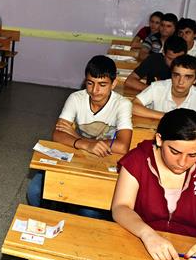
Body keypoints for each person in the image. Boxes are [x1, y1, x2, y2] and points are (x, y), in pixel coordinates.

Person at [111, 109, 196, 260]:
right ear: (159, 139)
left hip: (191, 254)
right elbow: (121, 207)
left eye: (193, 155)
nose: (182, 162)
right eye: (175, 152)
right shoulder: (138, 159)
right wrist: (147, 234)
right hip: (140, 243)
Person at [27, 56, 133, 210]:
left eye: (102, 85)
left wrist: (77, 137)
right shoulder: (76, 98)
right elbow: (57, 134)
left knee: (89, 210)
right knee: (34, 192)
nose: (95, 90)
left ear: (114, 83)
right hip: (76, 156)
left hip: (102, 162)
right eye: (90, 83)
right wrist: (85, 145)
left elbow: (122, 146)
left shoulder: (122, 104)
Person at [132, 55, 196, 126]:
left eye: (188, 77)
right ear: (171, 75)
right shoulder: (157, 87)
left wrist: (193, 121)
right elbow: (133, 106)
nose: (181, 81)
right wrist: (168, 117)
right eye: (177, 75)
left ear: (195, 80)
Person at [125, 36, 196, 95]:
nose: (174, 63)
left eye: (178, 59)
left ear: (185, 55)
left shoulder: (190, 65)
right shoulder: (153, 59)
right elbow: (130, 81)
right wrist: (155, 91)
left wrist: (187, 95)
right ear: (163, 53)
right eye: (170, 58)